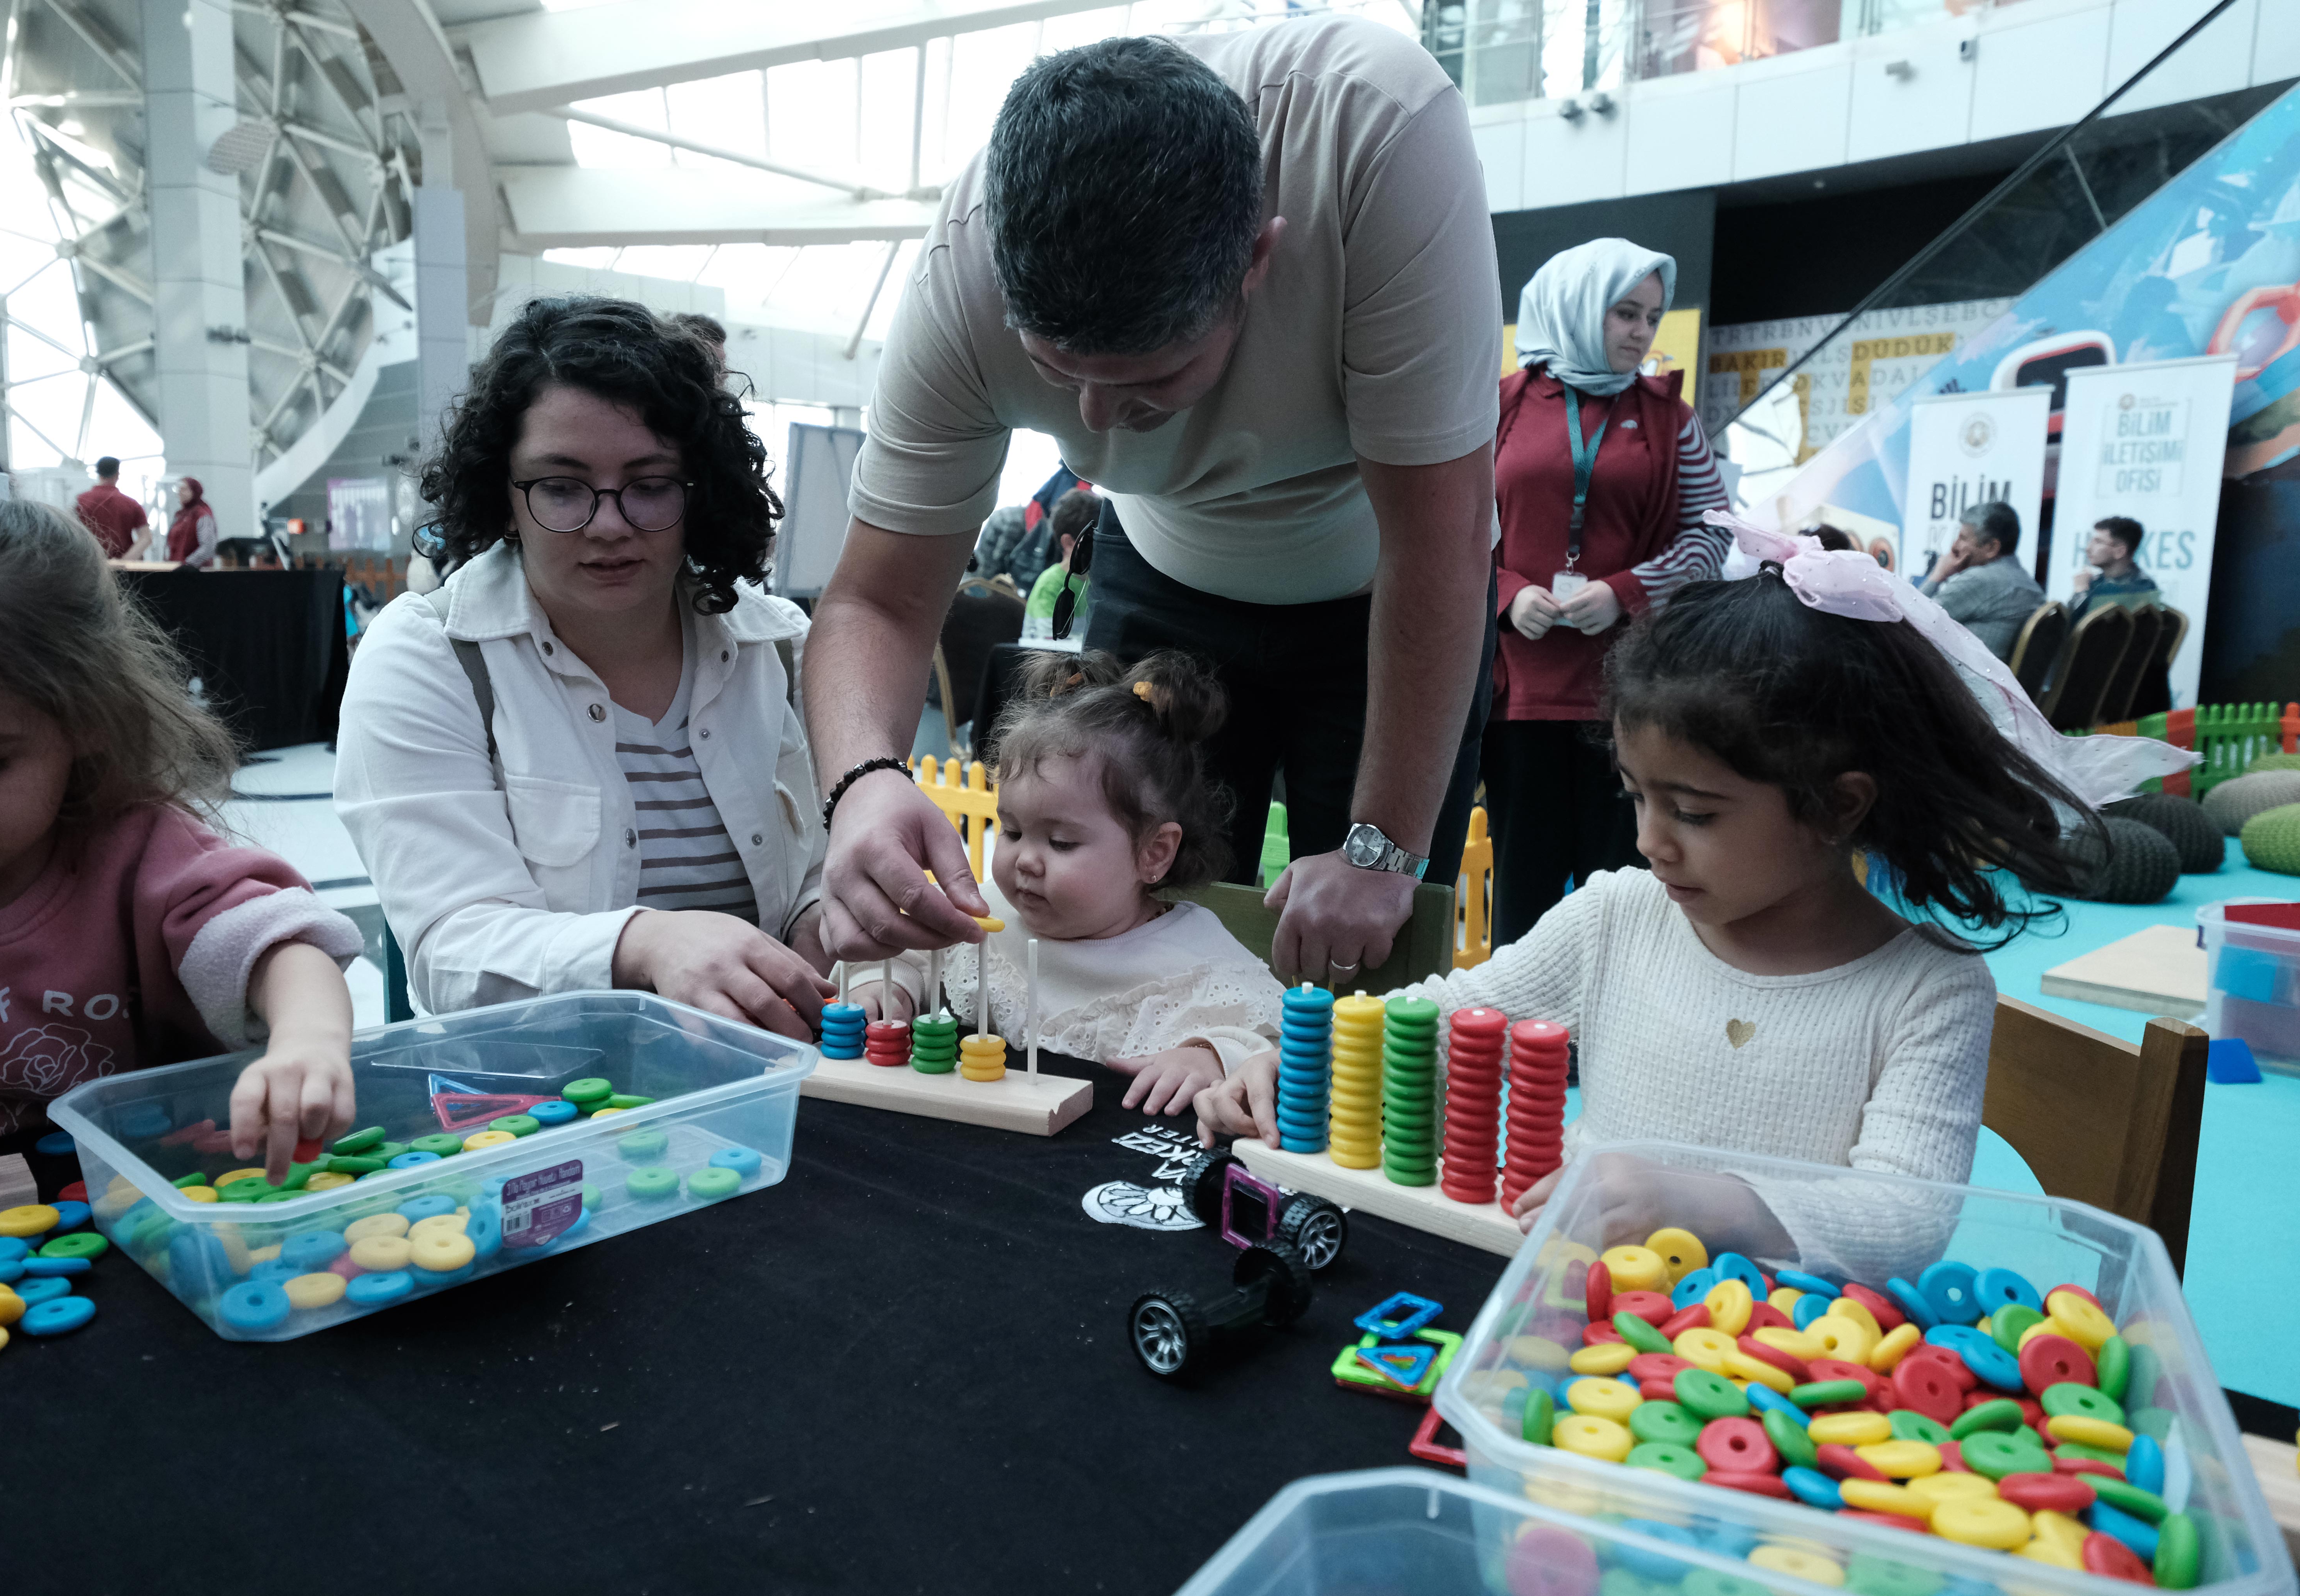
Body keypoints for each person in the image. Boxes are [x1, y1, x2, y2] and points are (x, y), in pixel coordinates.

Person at [1196, 516, 2193, 1279]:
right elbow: (1444, 1022)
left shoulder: (1927, 988)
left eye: (1696, 812)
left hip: (1777, 1373)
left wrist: (1703, 1203)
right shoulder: (1618, 916)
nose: (1648, 839)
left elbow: (1906, 1219)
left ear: (1838, 805)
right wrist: (1289, 1062)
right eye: (1635, 796)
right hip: (1585, 1314)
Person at [808, 23, 1502, 994]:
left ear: (1257, 265)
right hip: (1165, 574)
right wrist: (862, 783)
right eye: (1056, 373)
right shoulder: (960, 274)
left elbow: (1442, 538)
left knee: (1356, 973)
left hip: (1382, 600)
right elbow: (875, 602)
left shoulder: (1379, 134)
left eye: (1153, 379)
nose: (1097, 422)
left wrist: (1380, 849)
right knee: (1115, 945)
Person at [336, 296, 834, 1036]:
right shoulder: (429, 657)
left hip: (773, 1093)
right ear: (502, 494)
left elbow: (818, 877)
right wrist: (646, 942)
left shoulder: (780, 648)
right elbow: (451, 950)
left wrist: (830, 926)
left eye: (650, 484)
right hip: (541, 1108)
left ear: (699, 490)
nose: (609, 524)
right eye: (561, 487)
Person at [0, 493, 362, 1178]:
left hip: (149, 1190)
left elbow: (280, 945)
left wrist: (307, 1041)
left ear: (88, 720)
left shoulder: (141, 854)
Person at [845, 651, 1279, 1119]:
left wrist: (1211, 1054)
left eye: (1061, 841)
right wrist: (888, 988)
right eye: (1010, 831)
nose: (1026, 859)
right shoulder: (986, 915)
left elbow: (1277, 1047)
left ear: (1154, 852)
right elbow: (906, 957)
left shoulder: (1199, 960)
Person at [1483, 239, 1728, 946]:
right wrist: (1505, 593)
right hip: (1519, 698)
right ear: (1578, 308)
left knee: (1626, 895)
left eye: (1651, 317)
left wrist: (1627, 591)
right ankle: (1511, 1052)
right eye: (1625, 313)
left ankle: (1612, 1049)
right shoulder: (1501, 406)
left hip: (1629, 696)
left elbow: (1713, 535)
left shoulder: (1669, 416)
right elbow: (1452, 529)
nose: (1640, 333)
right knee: (1522, 899)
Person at [1921, 500, 2042, 660]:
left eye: (1963, 538)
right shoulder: (2031, 587)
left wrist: (1937, 576)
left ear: (1992, 548)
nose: (1955, 546)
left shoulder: (1979, 580)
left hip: (1961, 682)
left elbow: (1911, 620)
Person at [1021, 487, 1101, 638]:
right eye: (1094, 543)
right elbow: (1052, 643)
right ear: (1069, 543)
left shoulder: (1095, 583)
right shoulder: (1051, 584)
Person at [2068, 516, 2162, 623]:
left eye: (2098, 542)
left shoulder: (2140, 586)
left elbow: (2082, 628)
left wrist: (2081, 590)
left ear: (2120, 552)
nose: (2088, 549)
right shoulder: (2095, 582)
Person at [73, 455, 149, 561]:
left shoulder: (80, 501)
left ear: (98, 474)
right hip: (124, 570)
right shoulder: (132, 504)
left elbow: (72, 535)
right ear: (118, 475)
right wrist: (125, 561)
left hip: (91, 564)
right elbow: (146, 538)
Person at [165, 477, 215, 568]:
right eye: (179, 489)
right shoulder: (179, 516)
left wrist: (187, 565)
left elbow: (208, 548)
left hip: (195, 573)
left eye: (184, 489)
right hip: (176, 570)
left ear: (194, 491)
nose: (180, 493)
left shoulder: (202, 515)